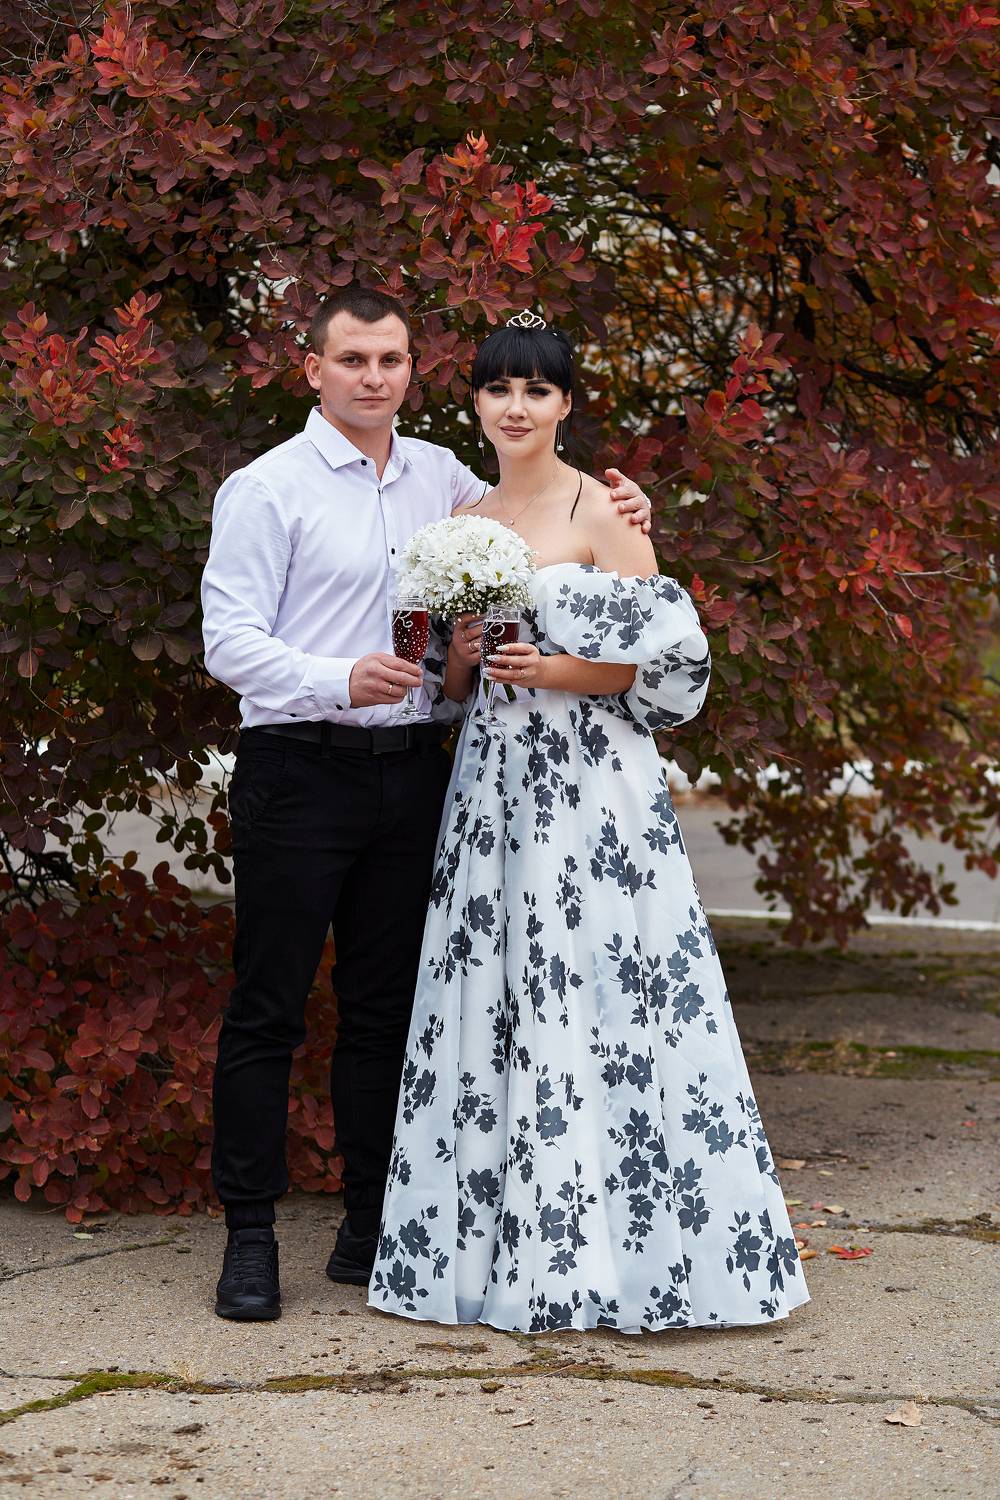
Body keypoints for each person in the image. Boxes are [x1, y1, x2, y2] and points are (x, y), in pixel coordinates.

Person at [200, 287, 653, 1320]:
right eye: (352, 359)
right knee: (267, 1008)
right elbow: (229, 642)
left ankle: (369, 1226)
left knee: (387, 1012)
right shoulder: (265, 488)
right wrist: (335, 678)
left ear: (411, 370)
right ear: (313, 369)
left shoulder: (444, 480)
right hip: (299, 767)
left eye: (391, 360)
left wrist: (626, 513)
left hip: (413, 773)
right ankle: (250, 1238)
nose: (373, 377)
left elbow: (545, 515)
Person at [369, 316, 810, 1333]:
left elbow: (657, 664)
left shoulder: (606, 509)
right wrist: (467, 656)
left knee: (604, 979)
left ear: (566, 403)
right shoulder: (465, 517)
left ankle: (628, 1252)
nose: (516, 407)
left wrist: (551, 668)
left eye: (537, 389)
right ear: (475, 402)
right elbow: (451, 686)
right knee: (500, 987)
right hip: (492, 783)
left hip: (591, 784)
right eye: (498, 389)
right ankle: (499, 1251)